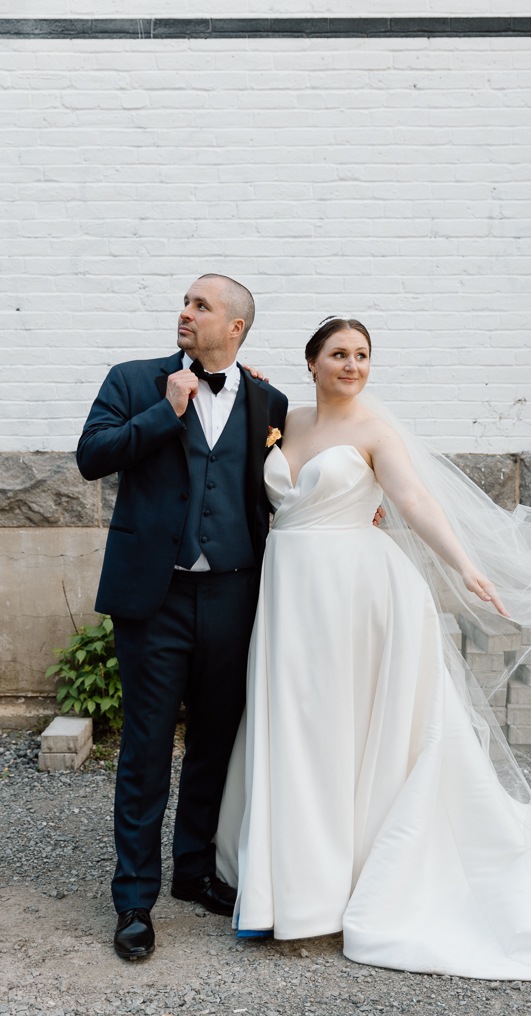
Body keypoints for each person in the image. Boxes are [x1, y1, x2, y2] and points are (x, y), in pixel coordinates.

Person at [215, 316, 531, 980]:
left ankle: (337, 883)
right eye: (338, 354)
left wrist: (464, 564)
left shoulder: (373, 429)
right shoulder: (284, 422)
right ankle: (285, 878)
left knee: (345, 729)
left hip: (360, 594)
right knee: (296, 723)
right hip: (289, 594)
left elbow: (411, 498)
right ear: (311, 362)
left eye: (361, 355)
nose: (352, 365)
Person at [76, 274, 288, 961]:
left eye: (201, 306)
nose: (185, 312)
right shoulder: (134, 380)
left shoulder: (268, 399)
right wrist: (164, 412)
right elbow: (91, 457)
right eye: (185, 302)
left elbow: (283, 480)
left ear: (235, 328)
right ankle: (134, 899)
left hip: (233, 593)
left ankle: (193, 872)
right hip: (154, 596)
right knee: (143, 751)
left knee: (214, 744)